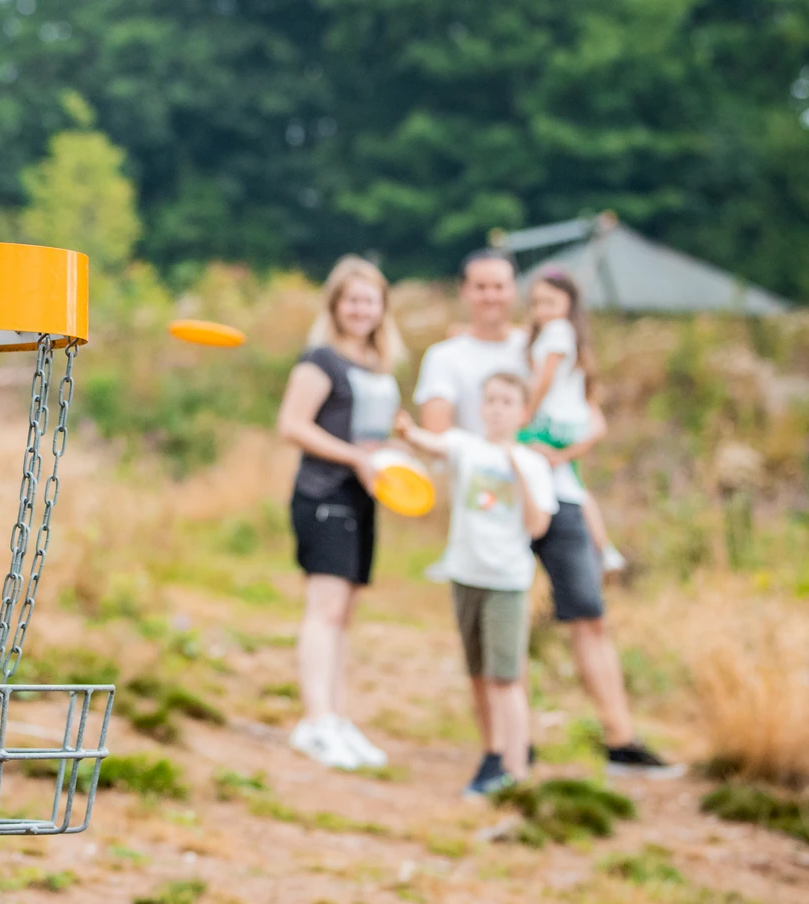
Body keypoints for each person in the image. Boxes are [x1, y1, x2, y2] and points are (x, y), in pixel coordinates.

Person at [413, 249, 682, 779]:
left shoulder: (539, 344)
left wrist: (559, 453)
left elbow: (588, 412)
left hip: (556, 498)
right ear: (465, 291)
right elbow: (437, 432)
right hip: (492, 509)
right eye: (481, 287)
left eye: (501, 286)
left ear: (514, 292)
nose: (492, 296)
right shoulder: (447, 356)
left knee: (588, 614)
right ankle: (505, 749)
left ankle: (620, 740)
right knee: (490, 635)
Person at [395, 373, 555, 796]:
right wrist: (408, 432)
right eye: (490, 400)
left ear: (522, 412)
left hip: (506, 582)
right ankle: (492, 752)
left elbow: (538, 525)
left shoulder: (535, 464)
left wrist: (516, 465)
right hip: (465, 575)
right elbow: (433, 443)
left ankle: (516, 770)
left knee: (506, 677)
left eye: (506, 402)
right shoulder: (467, 447)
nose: (497, 409)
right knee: (479, 676)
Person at [276, 255, 404, 770]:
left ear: (381, 308)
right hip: (323, 494)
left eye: (369, 300)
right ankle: (315, 722)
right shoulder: (320, 361)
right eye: (351, 299)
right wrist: (354, 457)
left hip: (363, 499)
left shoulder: (377, 367)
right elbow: (292, 425)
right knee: (324, 610)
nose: (360, 308)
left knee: (345, 616)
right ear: (336, 304)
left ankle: (336, 716)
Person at [522, 269, 627, 574]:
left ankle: (527, 543)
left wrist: (526, 414)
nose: (541, 310)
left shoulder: (557, 331)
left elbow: (544, 379)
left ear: (568, 302)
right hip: (570, 429)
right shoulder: (570, 338)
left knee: (510, 449)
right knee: (574, 486)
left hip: (551, 424)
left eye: (549, 302)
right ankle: (606, 550)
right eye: (536, 303)